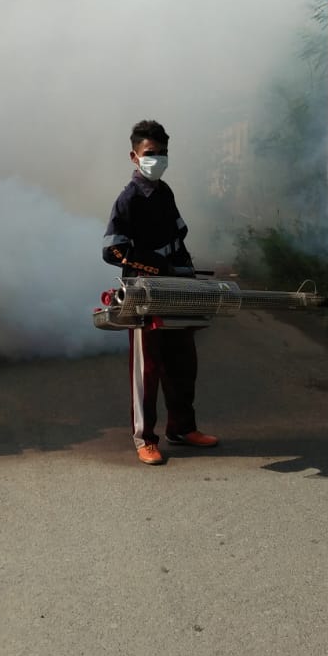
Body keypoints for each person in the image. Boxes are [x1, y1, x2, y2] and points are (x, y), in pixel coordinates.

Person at [102, 119, 219, 465]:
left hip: (176, 288)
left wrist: (184, 272)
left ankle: (182, 428)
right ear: (134, 156)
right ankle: (145, 438)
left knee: (183, 361)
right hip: (143, 293)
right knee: (147, 369)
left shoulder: (165, 192)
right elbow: (113, 249)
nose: (158, 159)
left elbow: (179, 237)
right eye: (151, 154)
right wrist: (153, 264)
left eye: (163, 153)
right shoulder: (129, 199)